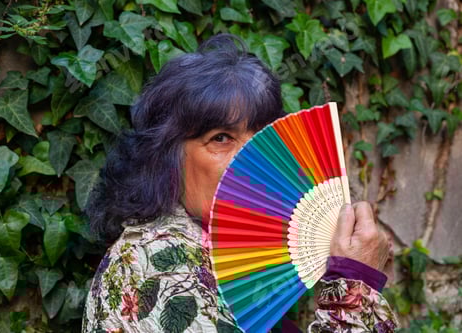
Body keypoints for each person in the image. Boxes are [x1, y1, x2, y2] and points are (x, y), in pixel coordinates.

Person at [82, 34, 398, 333]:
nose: (252, 160)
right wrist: (356, 284)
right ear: (167, 158)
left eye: (263, 138)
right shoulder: (158, 263)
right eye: (221, 139)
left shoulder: (226, 263)